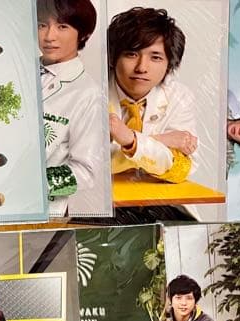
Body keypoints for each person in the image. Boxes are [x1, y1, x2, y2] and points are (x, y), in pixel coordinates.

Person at [107, 7, 197, 184]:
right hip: (94, 196)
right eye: (131, 54)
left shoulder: (180, 97)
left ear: (169, 65)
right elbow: (86, 164)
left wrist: (131, 141)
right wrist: (161, 141)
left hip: (154, 195)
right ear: (112, 57)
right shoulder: (89, 94)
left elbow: (181, 168)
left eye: (155, 57)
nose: (142, 67)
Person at [38, 0, 107, 216]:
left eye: (62, 26)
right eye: (42, 25)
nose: (49, 36)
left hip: (45, 213)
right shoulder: (16, 71)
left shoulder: (88, 94)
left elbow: (85, 172)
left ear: (83, 33)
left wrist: (33, 184)